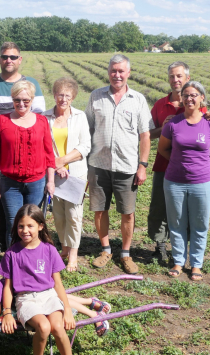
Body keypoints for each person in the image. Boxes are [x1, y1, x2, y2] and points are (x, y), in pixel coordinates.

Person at [0, 204, 83, 355]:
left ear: (40, 226)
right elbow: (7, 287)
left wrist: (67, 309)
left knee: (58, 326)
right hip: (26, 298)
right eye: (21, 226)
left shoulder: (49, 250)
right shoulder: (12, 253)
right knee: (43, 327)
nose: (25, 230)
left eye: (30, 226)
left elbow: (58, 284)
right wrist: (6, 312)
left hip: (49, 295)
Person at [85, 54, 154, 274]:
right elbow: (88, 130)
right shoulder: (96, 96)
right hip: (98, 164)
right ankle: (106, 249)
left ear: (128, 73)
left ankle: (125, 253)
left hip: (127, 166)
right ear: (108, 72)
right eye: (113, 70)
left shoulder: (138, 99)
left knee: (128, 213)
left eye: (121, 71)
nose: (117, 75)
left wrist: (142, 165)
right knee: (99, 210)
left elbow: (145, 135)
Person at [0, 42, 46, 250]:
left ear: (20, 59)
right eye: (5, 56)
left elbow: (39, 117)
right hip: (0, 151)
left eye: (13, 57)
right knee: (3, 207)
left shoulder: (32, 83)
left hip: (28, 152)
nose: (9, 60)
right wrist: (6, 130)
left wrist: (18, 132)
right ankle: (5, 251)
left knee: (29, 214)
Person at [157, 81, 210, 280]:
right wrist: (176, 162)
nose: (190, 98)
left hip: (202, 182)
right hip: (174, 181)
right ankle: (178, 261)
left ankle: (197, 264)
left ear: (201, 98)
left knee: (199, 223)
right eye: (186, 95)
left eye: (194, 95)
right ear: (181, 98)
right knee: (176, 222)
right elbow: (162, 148)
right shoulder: (173, 123)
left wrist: (204, 163)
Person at [147, 62, 210, 262]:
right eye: (171, 76)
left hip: (192, 172)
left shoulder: (200, 106)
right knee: (159, 208)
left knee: (187, 211)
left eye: (179, 76)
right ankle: (160, 245)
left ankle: (183, 252)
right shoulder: (160, 105)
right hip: (164, 166)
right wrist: (164, 127)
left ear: (187, 78)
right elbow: (149, 134)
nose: (175, 80)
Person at [0, 80, 55, 248]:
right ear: (12, 100)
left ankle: (30, 258)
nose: (21, 104)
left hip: (36, 183)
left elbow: (49, 154)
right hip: (10, 184)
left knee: (32, 223)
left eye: (26, 100)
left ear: (32, 100)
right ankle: (13, 261)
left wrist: (51, 181)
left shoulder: (41, 121)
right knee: (13, 222)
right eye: (17, 100)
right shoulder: (2, 121)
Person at [42, 77, 91, 272]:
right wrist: (55, 165)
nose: (63, 99)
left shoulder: (80, 117)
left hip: (75, 174)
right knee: (59, 214)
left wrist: (62, 161)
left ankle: (73, 255)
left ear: (73, 97)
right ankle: (63, 248)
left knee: (74, 214)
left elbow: (85, 146)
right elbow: (42, 145)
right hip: (53, 173)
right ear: (54, 95)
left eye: (67, 95)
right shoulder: (45, 117)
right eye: (60, 94)